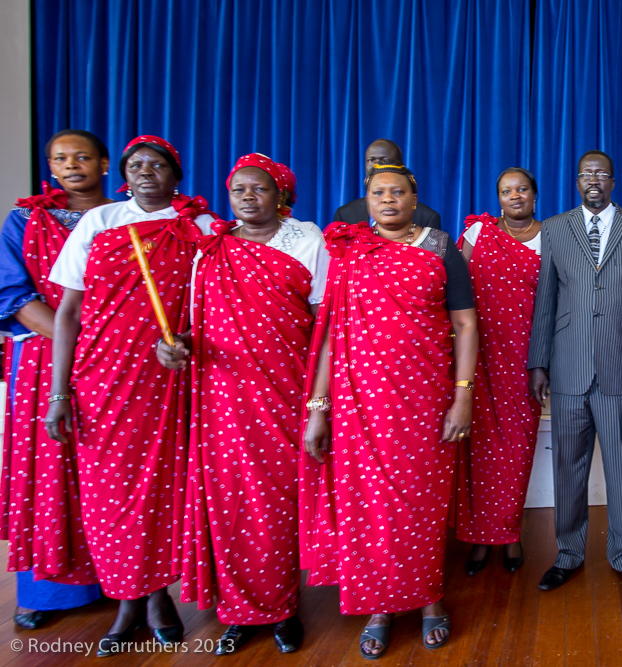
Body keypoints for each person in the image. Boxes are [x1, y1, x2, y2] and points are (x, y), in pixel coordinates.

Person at [44, 135, 215, 656]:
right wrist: (58, 392)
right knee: (110, 492)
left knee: (164, 487)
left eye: (157, 164)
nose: (146, 172)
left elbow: (212, 307)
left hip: (171, 378)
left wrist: (185, 341)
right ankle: (126, 601)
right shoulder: (100, 222)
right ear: (124, 173)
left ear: (175, 173)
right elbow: (68, 312)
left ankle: (160, 596)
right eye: (136, 165)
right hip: (103, 377)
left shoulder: (202, 228)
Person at [300, 163, 477, 659]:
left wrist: (463, 394)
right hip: (361, 406)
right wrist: (318, 406)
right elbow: (333, 335)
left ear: (414, 197)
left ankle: (428, 599)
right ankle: (379, 604)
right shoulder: (349, 251)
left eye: (398, 192)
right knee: (369, 507)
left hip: (425, 402)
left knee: (420, 504)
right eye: (379, 193)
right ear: (367, 199)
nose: (388, 200)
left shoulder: (442, 249)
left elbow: (465, 325)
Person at [157, 154, 327, 654]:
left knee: (275, 500)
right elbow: (192, 322)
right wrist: (176, 346)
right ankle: (238, 611)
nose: (248, 197)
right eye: (238, 190)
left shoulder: (307, 240)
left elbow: (324, 321)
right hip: (222, 397)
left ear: (281, 195)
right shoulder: (209, 251)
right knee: (231, 500)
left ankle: (282, 606)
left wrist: (322, 398)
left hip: (284, 388)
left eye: (259, 189)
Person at [527, 150, 622, 592]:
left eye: (602, 172)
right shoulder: (556, 229)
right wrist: (538, 361)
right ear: (576, 181)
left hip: (621, 365)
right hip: (567, 366)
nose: (594, 180)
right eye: (586, 173)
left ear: (615, 181)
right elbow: (546, 299)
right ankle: (569, 552)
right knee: (568, 465)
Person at [0, 130, 112, 629]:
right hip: (46, 357)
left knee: (107, 469)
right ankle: (45, 592)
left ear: (105, 164)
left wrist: (105, 350)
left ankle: (117, 578)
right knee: (47, 469)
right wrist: (78, 345)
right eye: (60, 158)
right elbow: (13, 293)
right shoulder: (23, 221)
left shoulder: (125, 219)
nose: (71, 165)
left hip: (116, 363)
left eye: (82, 156)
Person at [454, 167, 542, 575]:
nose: (515, 195)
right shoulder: (477, 235)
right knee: (478, 448)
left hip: (524, 358)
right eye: (506, 190)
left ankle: (510, 533)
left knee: (516, 451)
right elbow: (453, 290)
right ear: (499, 197)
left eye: (522, 188)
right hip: (480, 356)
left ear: (535, 194)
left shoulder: (551, 237)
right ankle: (476, 539)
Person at [333, 139, 441, 229]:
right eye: (371, 160)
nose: (377, 165)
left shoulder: (428, 218)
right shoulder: (344, 215)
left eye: (384, 160)